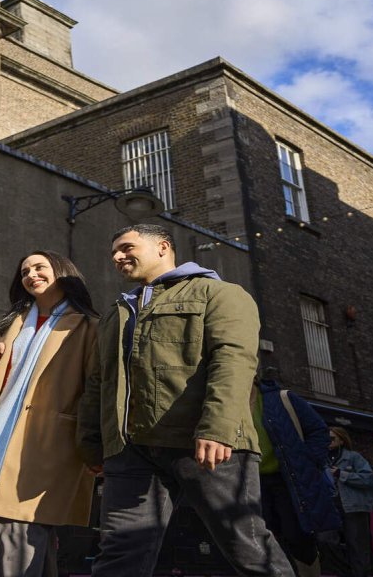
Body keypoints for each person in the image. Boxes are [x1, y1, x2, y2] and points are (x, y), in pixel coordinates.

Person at [77, 223, 293, 575]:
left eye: (127, 247)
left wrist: (218, 428)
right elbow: (99, 381)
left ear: (163, 247)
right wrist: (92, 443)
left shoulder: (219, 294)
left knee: (245, 544)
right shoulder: (117, 313)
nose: (117, 257)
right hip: (131, 451)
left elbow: (234, 361)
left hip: (205, 442)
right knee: (119, 552)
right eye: (114, 252)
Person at [0, 250, 100, 577]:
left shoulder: (89, 326)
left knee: (19, 519)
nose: (31, 274)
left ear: (62, 272)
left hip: (52, 439)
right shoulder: (13, 322)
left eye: (39, 267)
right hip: (3, 433)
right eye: (25, 271)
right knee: (27, 523)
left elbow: (96, 389)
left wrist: (93, 443)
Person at [254, 366, 340, 576]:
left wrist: (308, 462)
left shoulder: (280, 398)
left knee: (298, 536)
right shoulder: (229, 405)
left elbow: (319, 431)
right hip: (253, 483)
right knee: (261, 540)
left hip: (288, 479)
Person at [319, 427, 373, 577]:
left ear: (342, 440)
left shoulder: (353, 457)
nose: (328, 441)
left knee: (357, 547)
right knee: (325, 540)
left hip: (353, 507)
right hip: (330, 507)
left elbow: (369, 479)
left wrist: (341, 474)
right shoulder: (321, 458)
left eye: (332, 439)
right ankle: (345, 572)